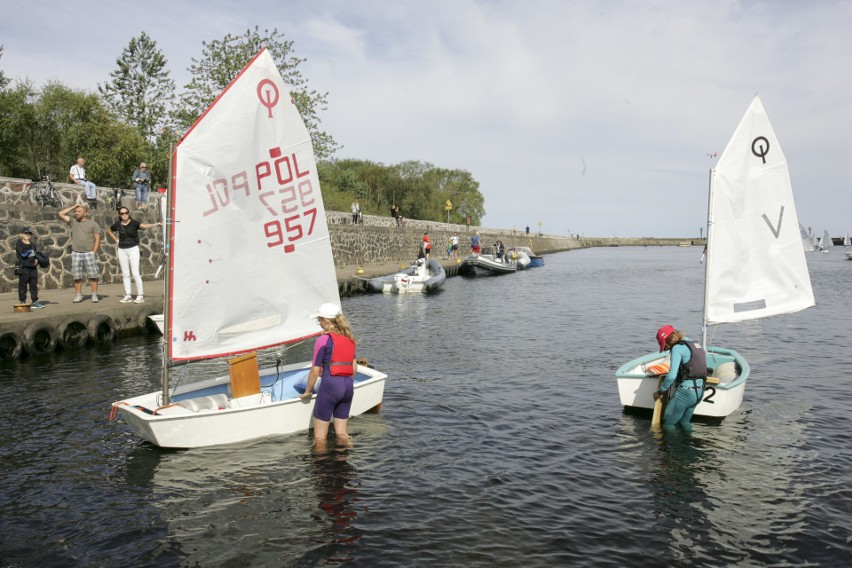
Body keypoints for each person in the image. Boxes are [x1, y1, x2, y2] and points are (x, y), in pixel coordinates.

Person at [300, 303, 358, 446]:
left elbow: (314, 371)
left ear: (326, 321)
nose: (318, 323)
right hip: (348, 387)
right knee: (343, 434)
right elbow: (354, 367)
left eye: (319, 320)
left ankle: (321, 468)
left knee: (320, 438)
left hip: (331, 386)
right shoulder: (349, 339)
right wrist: (345, 383)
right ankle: (345, 465)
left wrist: (307, 391)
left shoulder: (323, 340)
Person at [653, 325, 707, 430]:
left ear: (667, 343)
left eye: (665, 346)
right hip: (699, 392)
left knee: (668, 424)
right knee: (684, 422)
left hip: (685, 393)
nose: (666, 348)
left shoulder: (677, 348)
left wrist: (660, 391)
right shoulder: (695, 344)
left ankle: (671, 446)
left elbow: (671, 376)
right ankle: (689, 444)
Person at [107, 207, 161, 303]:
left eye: (126, 213)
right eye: (122, 213)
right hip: (122, 249)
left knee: (135, 273)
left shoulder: (134, 223)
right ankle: (128, 295)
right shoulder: (118, 224)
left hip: (133, 249)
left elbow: (143, 226)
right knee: (125, 274)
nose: (124, 215)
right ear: (119, 215)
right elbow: (109, 230)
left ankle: (140, 295)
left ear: (128, 213)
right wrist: (116, 239)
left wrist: (155, 224)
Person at [58, 203, 101, 303]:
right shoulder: (73, 222)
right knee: (77, 276)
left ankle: (94, 295)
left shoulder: (93, 224)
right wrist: (74, 206)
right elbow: (61, 213)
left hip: (89, 252)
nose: (76, 213)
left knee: (93, 275)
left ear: (85, 213)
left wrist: (94, 251)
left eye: (79, 211)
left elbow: (97, 238)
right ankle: (78, 295)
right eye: (75, 212)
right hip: (76, 253)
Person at [15, 226, 44, 309]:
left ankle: (34, 301)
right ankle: (22, 301)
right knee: (23, 285)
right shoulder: (19, 244)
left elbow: (34, 254)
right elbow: (23, 254)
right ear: (21, 234)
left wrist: (36, 259)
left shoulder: (33, 245)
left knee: (33, 285)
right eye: (26, 233)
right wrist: (28, 246)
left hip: (33, 268)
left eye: (29, 234)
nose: (28, 235)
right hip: (24, 268)